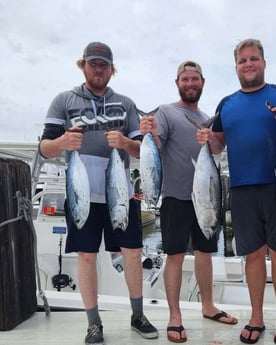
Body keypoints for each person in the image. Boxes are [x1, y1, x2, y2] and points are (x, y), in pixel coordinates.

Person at [39, 41, 158, 345]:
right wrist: (63, 143)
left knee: (132, 253)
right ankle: (93, 323)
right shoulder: (63, 101)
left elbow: (140, 149)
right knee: (87, 256)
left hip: (119, 193)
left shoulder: (126, 104)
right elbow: (45, 148)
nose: (98, 69)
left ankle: (137, 315)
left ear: (111, 69)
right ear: (83, 65)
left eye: (104, 64)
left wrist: (125, 143)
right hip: (82, 191)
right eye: (93, 63)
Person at [197, 39, 276, 344]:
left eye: (254, 59)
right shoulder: (226, 104)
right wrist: (206, 138)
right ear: (236, 66)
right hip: (242, 189)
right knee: (251, 257)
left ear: (264, 62)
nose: (248, 64)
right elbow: (219, 145)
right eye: (242, 61)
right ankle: (257, 316)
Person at [140, 61, 238, 343]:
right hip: (177, 197)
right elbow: (155, 147)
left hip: (207, 199)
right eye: (185, 79)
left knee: (206, 253)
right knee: (175, 255)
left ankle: (208, 307)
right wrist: (148, 129)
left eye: (195, 79)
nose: (190, 83)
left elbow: (219, 149)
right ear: (177, 83)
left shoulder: (207, 117)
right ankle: (175, 316)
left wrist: (210, 139)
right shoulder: (167, 113)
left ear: (203, 82)